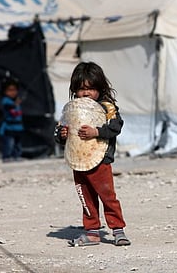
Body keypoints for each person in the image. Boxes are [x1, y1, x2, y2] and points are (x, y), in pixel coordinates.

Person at [54, 61, 131, 247]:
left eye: (90, 88)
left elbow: (116, 126)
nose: (86, 93)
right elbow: (61, 127)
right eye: (81, 89)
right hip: (78, 161)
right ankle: (92, 232)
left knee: (107, 196)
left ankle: (118, 230)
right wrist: (62, 135)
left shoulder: (106, 107)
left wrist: (97, 132)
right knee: (85, 197)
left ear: (100, 88)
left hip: (100, 160)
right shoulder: (73, 109)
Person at [0, 77, 24, 162]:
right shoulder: (6, 100)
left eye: (14, 90)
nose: (12, 92)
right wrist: (15, 103)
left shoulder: (16, 101)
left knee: (17, 144)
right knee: (9, 143)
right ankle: (7, 156)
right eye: (10, 90)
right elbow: (9, 107)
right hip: (9, 127)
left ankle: (16, 156)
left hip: (18, 127)